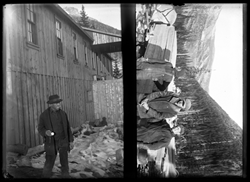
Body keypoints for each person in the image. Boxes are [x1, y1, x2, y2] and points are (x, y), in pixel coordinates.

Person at [38, 94, 74, 178]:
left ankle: (65, 175)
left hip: (63, 141)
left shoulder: (63, 114)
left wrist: (71, 140)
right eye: (56, 103)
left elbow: (68, 128)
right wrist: (45, 132)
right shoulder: (44, 115)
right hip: (51, 143)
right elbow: (40, 128)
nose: (59, 104)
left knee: (64, 161)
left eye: (59, 102)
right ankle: (46, 176)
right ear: (51, 104)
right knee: (49, 162)